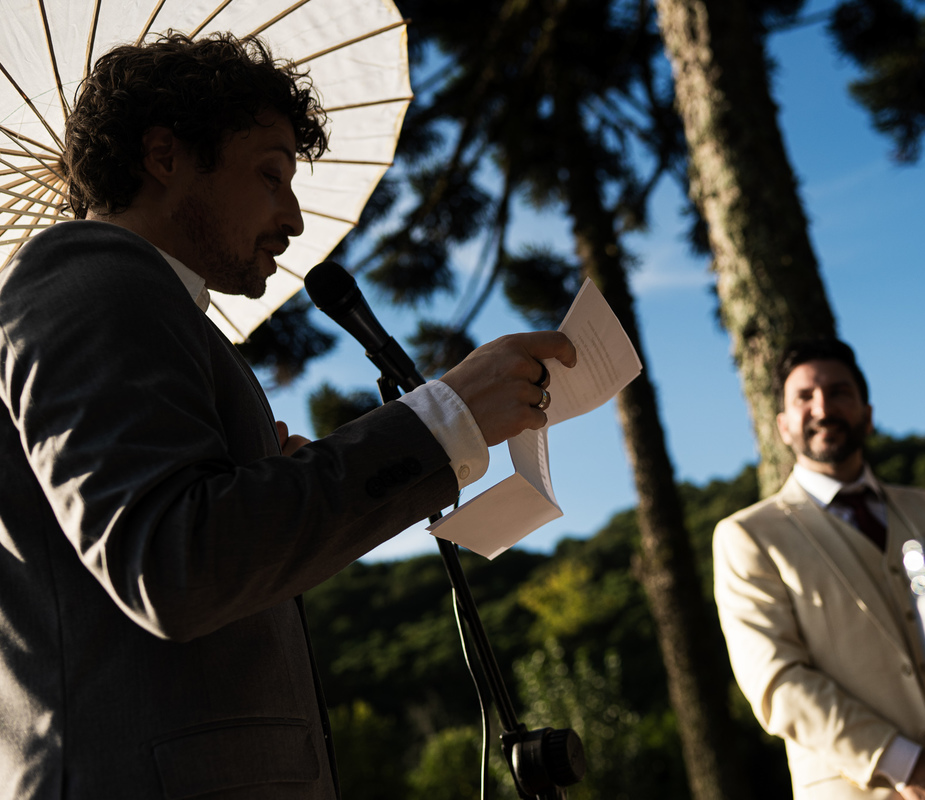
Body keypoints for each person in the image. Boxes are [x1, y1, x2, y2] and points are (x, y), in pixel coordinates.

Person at [0, 33, 575, 799]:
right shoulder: (89, 283)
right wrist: (443, 420)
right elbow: (174, 567)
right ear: (164, 156)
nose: (294, 218)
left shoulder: (146, 310)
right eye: (270, 175)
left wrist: (265, 485)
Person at [712, 339, 925, 800]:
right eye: (804, 397)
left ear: (867, 413)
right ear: (782, 426)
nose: (823, 407)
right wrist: (902, 760)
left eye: (839, 393)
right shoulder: (748, 536)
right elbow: (776, 679)